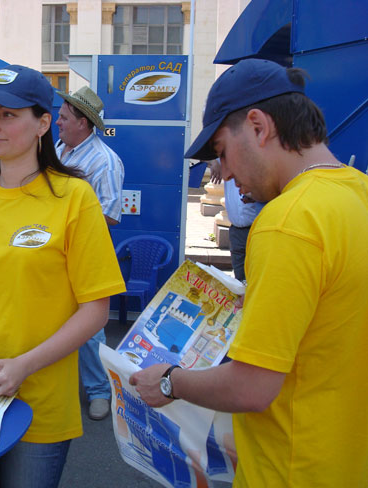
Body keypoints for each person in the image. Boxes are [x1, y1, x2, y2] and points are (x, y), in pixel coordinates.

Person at [130, 58, 368, 487]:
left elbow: (250, 389)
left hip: (293, 469)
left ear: (258, 126)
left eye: (222, 152)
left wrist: (168, 382)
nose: (228, 175)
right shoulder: (358, 192)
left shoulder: (286, 223)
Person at [0, 65, 126, 488]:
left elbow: (95, 310)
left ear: (43, 123)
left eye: (8, 115)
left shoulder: (72, 198)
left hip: (39, 396)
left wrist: (23, 366)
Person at [55, 86, 125, 421]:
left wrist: (67, 222)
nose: (57, 123)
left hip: (85, 254)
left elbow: (110, 213)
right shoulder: (58, 150)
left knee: (90, 327)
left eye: (64, 118)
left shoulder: (105, 161)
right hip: (52, 251)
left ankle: (99, 392)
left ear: (84, 123)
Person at [207, 159, 264, 282]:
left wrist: (256, 196)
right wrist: (213, 161)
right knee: (239, 278)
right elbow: (199, 151)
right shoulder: (227, 156)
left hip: (256, 228)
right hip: (236, 229)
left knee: (256, 276)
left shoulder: (259, 157)